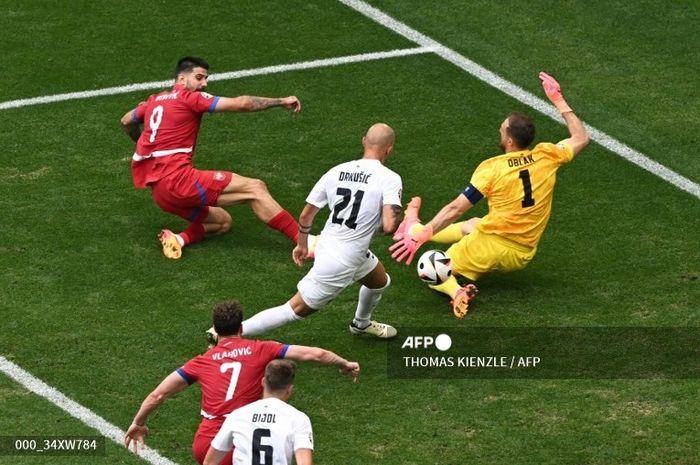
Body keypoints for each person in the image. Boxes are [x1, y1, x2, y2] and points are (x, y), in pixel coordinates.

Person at [390, 72, 590, 318]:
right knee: (473, 225)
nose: (499, 129)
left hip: (496, 247)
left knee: (432, 267)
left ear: (508, 139)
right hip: (525, 247)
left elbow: (456, 209)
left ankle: (456, 292)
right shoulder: (547, 155)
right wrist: (558, 99)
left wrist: (426, 235)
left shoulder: (492, 168)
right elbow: (581, 137)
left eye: (502, 129)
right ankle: (413, 228)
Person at [123, 300, 359, 465]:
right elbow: (314, 354)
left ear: (215, 330)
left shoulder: (201, 361)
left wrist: (138, 422)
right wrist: (343, 363)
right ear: (241, 327)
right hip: (240, 440)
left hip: (206, 443)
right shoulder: (261, 349)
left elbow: (158, 395)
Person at [229, 123, 403, 340]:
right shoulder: (390, 178)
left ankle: (361, 323)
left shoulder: (336, 171)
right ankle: (224, 334)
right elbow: (389, 226)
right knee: (293, 310)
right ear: (389, 149)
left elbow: (305, 216)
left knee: (379, 281)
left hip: (331, 244)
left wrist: (302, 244)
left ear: (364, 142)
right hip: (341, 260)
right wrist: (405, 218)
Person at [120, 56, 303, 259]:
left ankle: (178, 240)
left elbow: (126, 120)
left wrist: (142, 140)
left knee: (222, 222)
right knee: (255, 188)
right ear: (181, 78)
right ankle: (305, 242)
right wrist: (280, 101)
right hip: (178, 182)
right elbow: (243, 104)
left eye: (206, 79)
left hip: (162, 195)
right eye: (199, 78)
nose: (204, 84)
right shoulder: (189, 98)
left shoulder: (153, 101)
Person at [204, 359, 313, 465]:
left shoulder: (237, 415)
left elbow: (210, 462)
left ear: (263, 382)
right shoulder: (298, 418)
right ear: (290, 389)